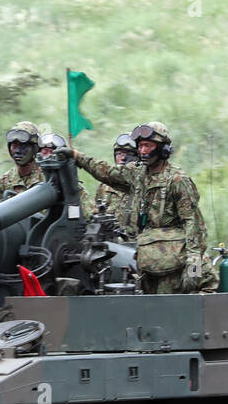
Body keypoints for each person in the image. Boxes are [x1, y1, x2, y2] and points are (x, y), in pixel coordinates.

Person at [61, 121, 217, 293]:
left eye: (148, 146)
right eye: (141, 146)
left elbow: (193, 223)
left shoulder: (177, 180)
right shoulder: (137, 174)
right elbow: (107, 172)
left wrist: (194, 264)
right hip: (147, 258)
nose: (143, 151)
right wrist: (77, 156)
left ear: (163, 148)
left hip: (175, 260)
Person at [93, 133, 138, 238]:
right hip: (108, 242)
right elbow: (95, 213)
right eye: (119, 154)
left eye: (129, 154)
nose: (123, 158)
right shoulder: (104, 186)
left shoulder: (144, 185)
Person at [37, 132, 92, 216]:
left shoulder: (75, 189)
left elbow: (89, 218)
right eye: (45, 152)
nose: (48, 157)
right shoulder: (36, 183)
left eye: (53, 152)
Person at [0, 121, 44, 201]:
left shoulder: (46, 177)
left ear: (35, 148)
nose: (18, 151)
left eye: (23, 146)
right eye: (14, 146)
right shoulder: (5, 181)